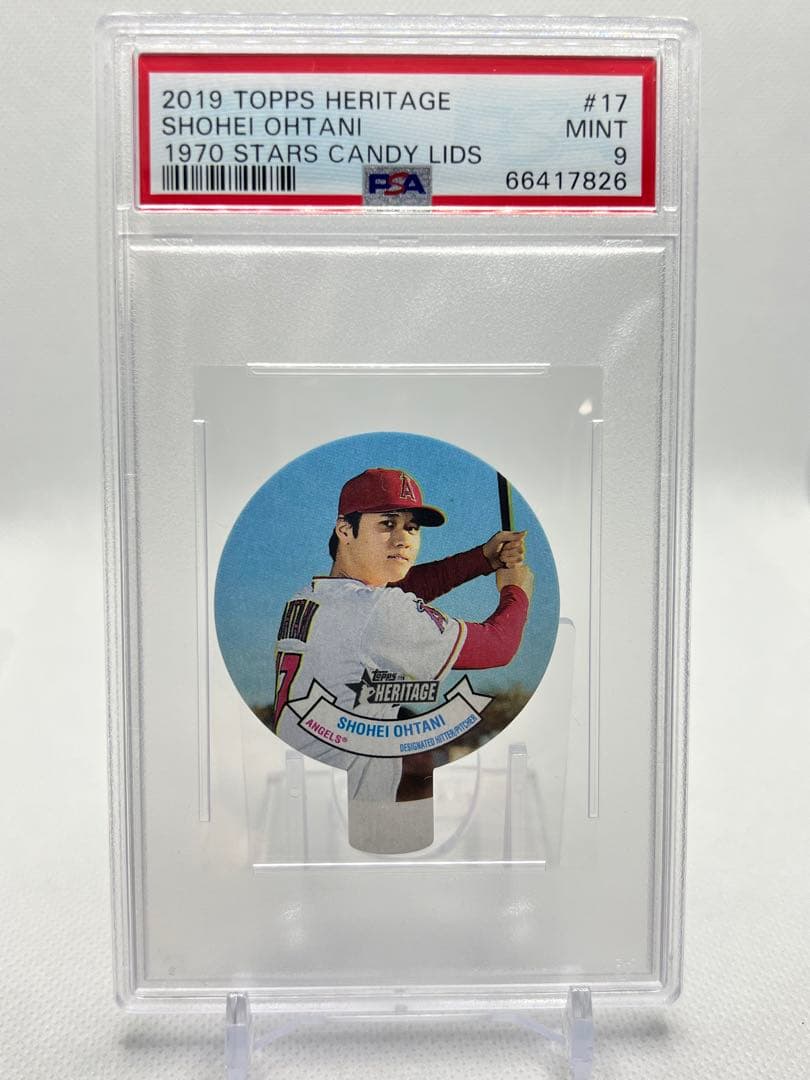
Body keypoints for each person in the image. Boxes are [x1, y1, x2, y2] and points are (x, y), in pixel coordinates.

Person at [273, 467, 534, 804]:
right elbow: (499, 646)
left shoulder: (310, 597)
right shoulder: (376, 611)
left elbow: (399, 592)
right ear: (345, 529)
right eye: (387, 524)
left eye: (412, 528)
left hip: (305, 798)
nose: (403, 539)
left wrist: (482, 558)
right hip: (350, 808)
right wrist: (517, 590)